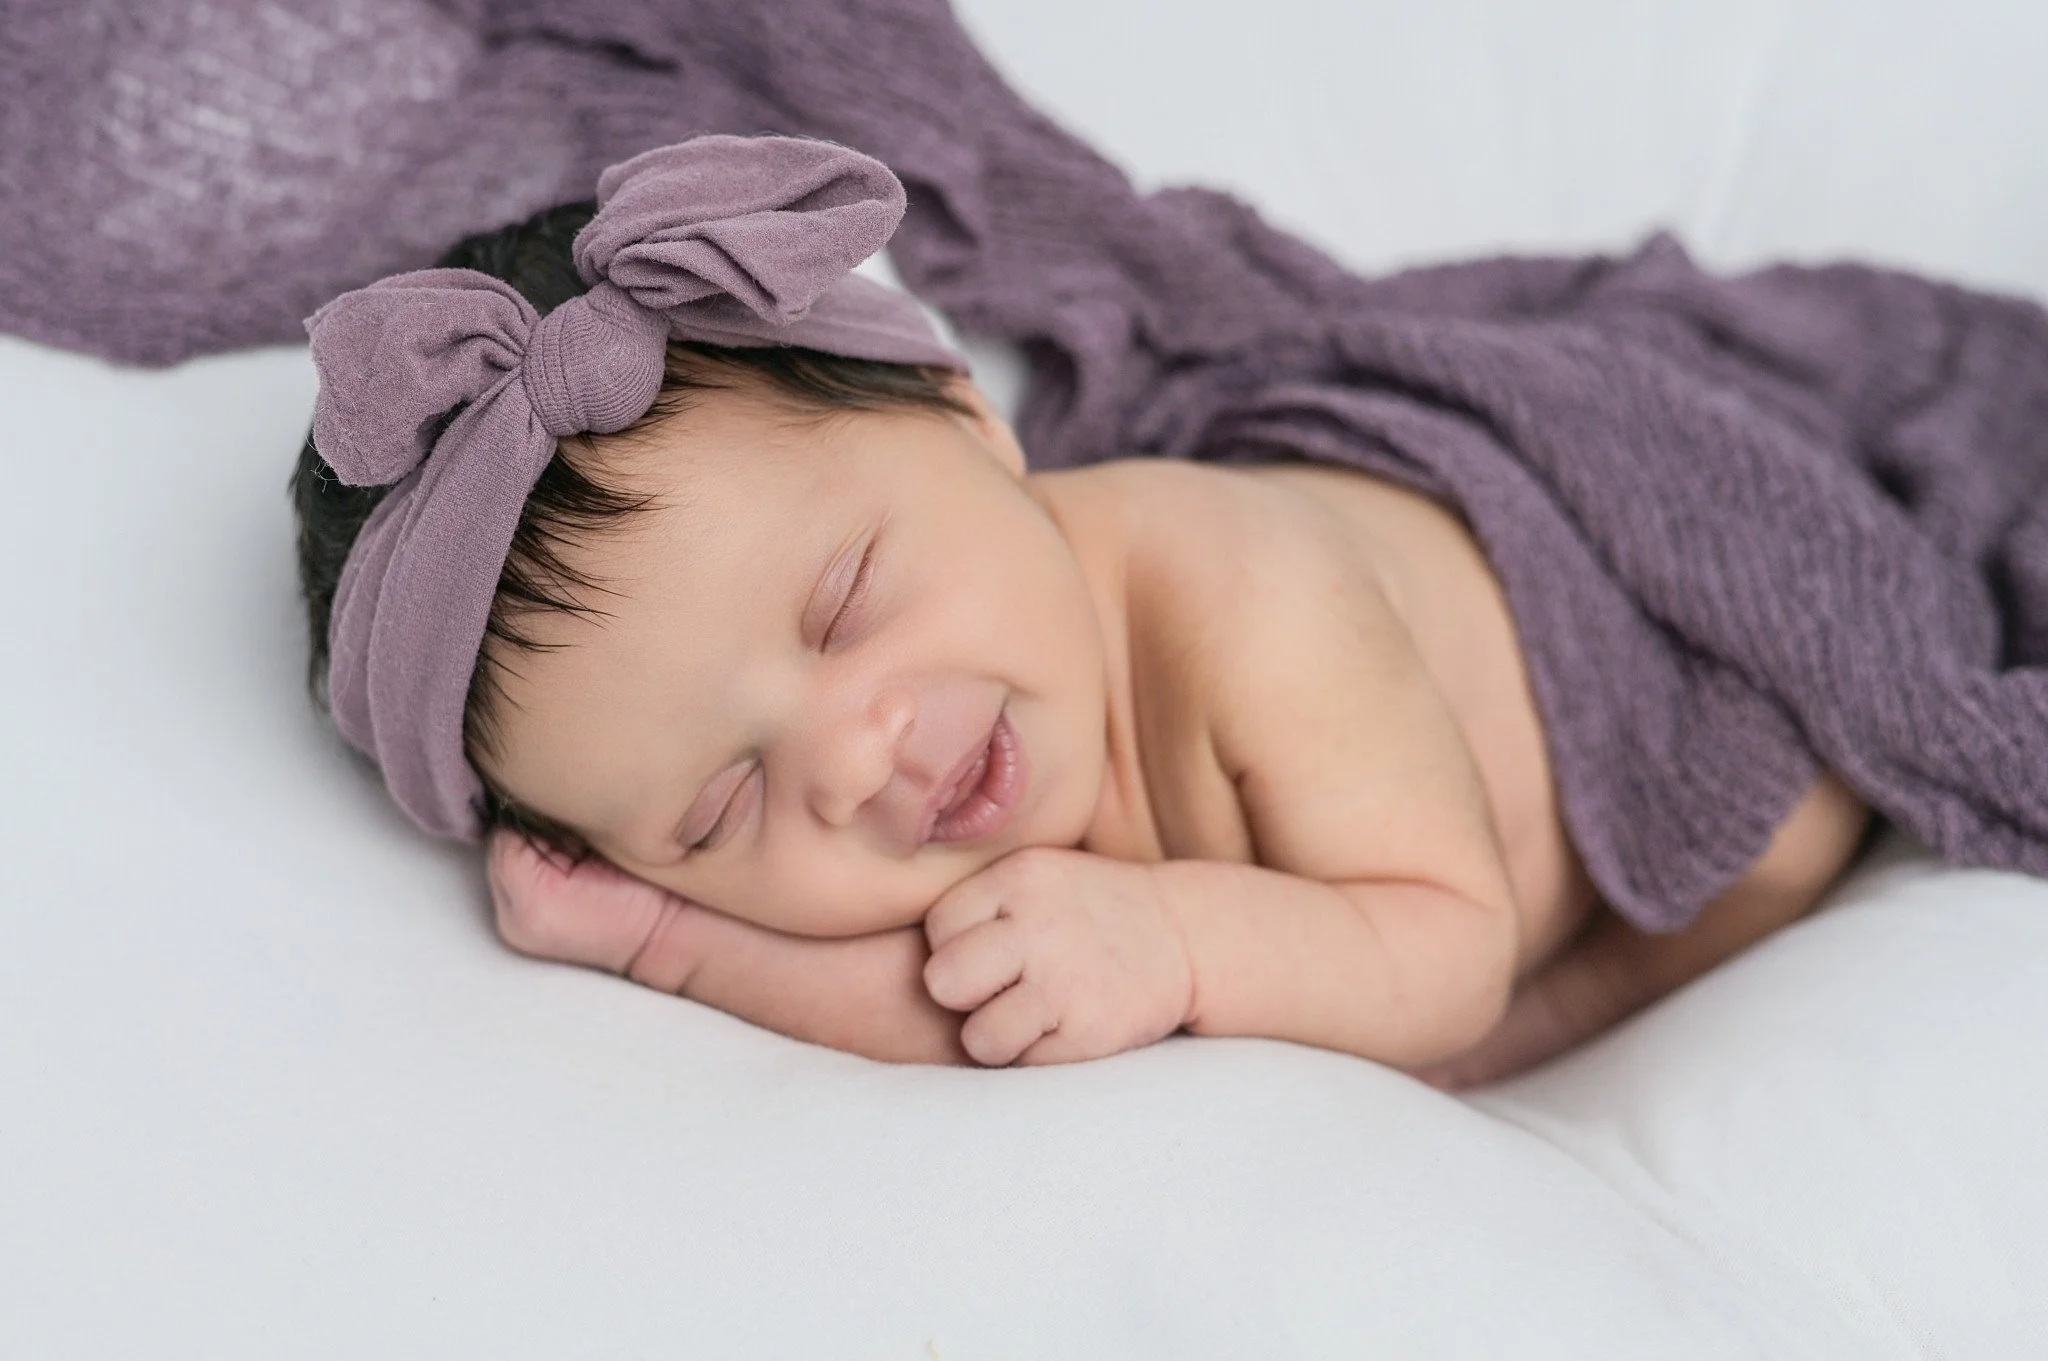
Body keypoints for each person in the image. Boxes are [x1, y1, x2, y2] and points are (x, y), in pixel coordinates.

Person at [293, 135, 1873, 1086]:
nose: (849, 761)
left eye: (847, 603)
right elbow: (955, 1005)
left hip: (1580, 723)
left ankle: (1586, 1014)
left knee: (1784, 821)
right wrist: (665, 944)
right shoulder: (898, 807)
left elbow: (1447, 942)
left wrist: (1174, 944)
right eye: (720, 810)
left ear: (970, 423)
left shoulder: (1244, 593)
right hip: (1366, 904)